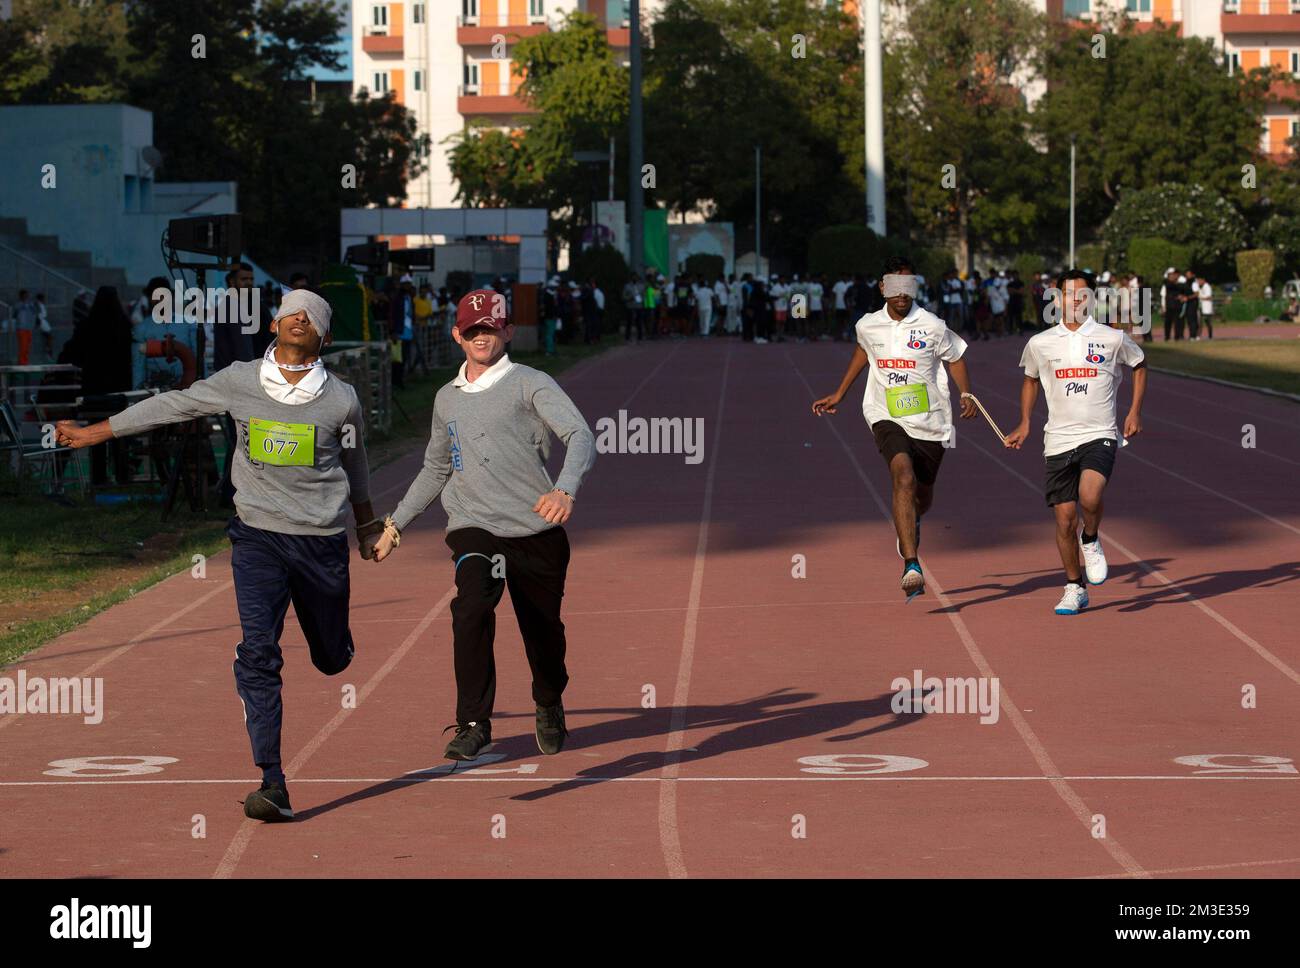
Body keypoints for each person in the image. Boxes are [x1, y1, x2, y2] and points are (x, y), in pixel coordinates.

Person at [55, 289, 382, 821]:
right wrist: (95, 433)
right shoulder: (239, 381)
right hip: (257, 537)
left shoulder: (341, 399)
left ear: (323, 336)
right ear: (274, 323)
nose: (299, 319)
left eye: (312, 316)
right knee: (259, 651)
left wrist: (366, 526)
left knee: (329, 658)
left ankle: (335, 646)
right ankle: (272, 780)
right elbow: (172, 405)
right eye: (290, 312)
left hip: (321, 541)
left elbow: (357, 464)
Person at [372, 289, 596, 762]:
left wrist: (565, 489)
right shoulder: (445, 399)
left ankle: (548, 700)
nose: (481, 336)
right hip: (474, 527)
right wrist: (396, 525)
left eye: (490, 328)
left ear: (506, 332)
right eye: (472, 330)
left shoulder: (529, 382)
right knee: (471, 609)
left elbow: (580, 434)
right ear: (457, 335)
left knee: (544, 635)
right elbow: (436, 468)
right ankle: (474, 722)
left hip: (535, 530)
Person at [811, 256, 976, 601]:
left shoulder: (932, 325)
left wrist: (967, 394)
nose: (902, 294)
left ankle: (912, 519)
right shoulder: (868, 325)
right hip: (885, 412)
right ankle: (911, 564)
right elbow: (863, 352)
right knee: (902, 475)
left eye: (908, 286)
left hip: (930, 420)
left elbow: (956, 356)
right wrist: (839, 393)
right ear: (883, 287)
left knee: (922, 494)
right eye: (895, 286)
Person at [1004, 270, 1147, 616]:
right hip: (1058, 439)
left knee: (1090, 495)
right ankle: (1074, 587)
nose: (1075, 301)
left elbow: (1140, 364)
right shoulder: (1040, 343)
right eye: (1068, 295)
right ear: (1057, 299)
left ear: (1092, 299)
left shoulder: (1112, 338)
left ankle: (1092, 537)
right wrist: (1024, 421)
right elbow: (1030, 380)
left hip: (1099, 434)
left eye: (1083, 295)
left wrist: (1134, 412)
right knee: (1065, 519)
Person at [9, 290, 38, 365]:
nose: (26, 296)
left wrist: (34, 305)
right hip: (21, 328)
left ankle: (25, 361)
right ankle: (22, 362)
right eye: (24, 295)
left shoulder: (31, 304)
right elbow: (14, 314)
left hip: (29, 328)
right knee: (23, 346)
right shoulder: (17, 305)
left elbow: (36, 312)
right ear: (21, 296)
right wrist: (23, 305)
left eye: (27, 295)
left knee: (27, 347)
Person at [1198, 274, 1214, 339]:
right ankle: (1198, 336)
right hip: (1202, 307)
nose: (1198, 282)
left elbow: (1209, 297)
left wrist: (1200, 298)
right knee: (1200, 322)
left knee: (1208, 322)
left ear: (1203, 280)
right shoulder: (1201, 287)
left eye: (1199, 280)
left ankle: (1210, 336)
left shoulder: (1207, 287)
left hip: (1207, 308)